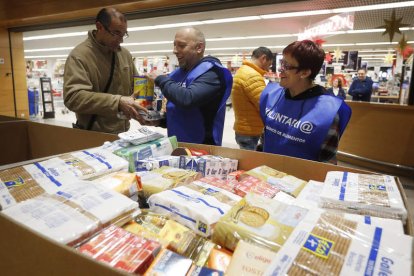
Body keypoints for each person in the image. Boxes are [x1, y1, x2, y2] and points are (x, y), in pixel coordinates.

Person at [259, 40, 352, 163]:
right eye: (282, 63)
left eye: (286, 66)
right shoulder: (272, 96)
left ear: (305, 72)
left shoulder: (328, 111)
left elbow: (327, 159)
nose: (280, 70)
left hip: (303, 178)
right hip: (266, 172)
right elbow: (265, 138)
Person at [63, 7, 147, 134]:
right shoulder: (79, 56)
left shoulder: (124, 54)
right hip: (93, 135)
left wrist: (146, 91)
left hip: (123, 134)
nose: (121, 39)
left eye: (123, 34)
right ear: (99, 27)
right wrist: (117, 102)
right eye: (116, 33)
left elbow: (136, 88)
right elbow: (73, 98)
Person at [147, 27, 232, 146]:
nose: (175, 51)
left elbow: (187, 99)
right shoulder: (180, 73)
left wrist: (161, 79)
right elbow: (179, 113)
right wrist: (158, 120)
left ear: (199, 48)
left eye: (181, 45)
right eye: (174, 45)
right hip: (178, 145)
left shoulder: (212, 73)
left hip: (202, 150)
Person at [231, 47, 273, 150]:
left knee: (247, 159)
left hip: (244, 126)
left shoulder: (243, 71)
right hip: (250, 130)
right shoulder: (252, 76)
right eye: (269, 64)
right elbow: (264, 104)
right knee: (250, 163)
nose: (268, 69)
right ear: (263, 58)